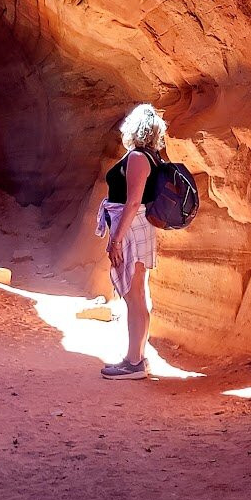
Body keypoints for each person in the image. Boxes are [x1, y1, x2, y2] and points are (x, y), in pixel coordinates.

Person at [95, 104, 166, 380]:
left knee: (134, 296)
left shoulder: (138, 157)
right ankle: (138, 357)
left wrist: (116, 239)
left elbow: (133, 201)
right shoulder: (151, 156)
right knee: (137, 294)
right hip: (139, 227)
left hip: (132, 228)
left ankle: (133, 362)